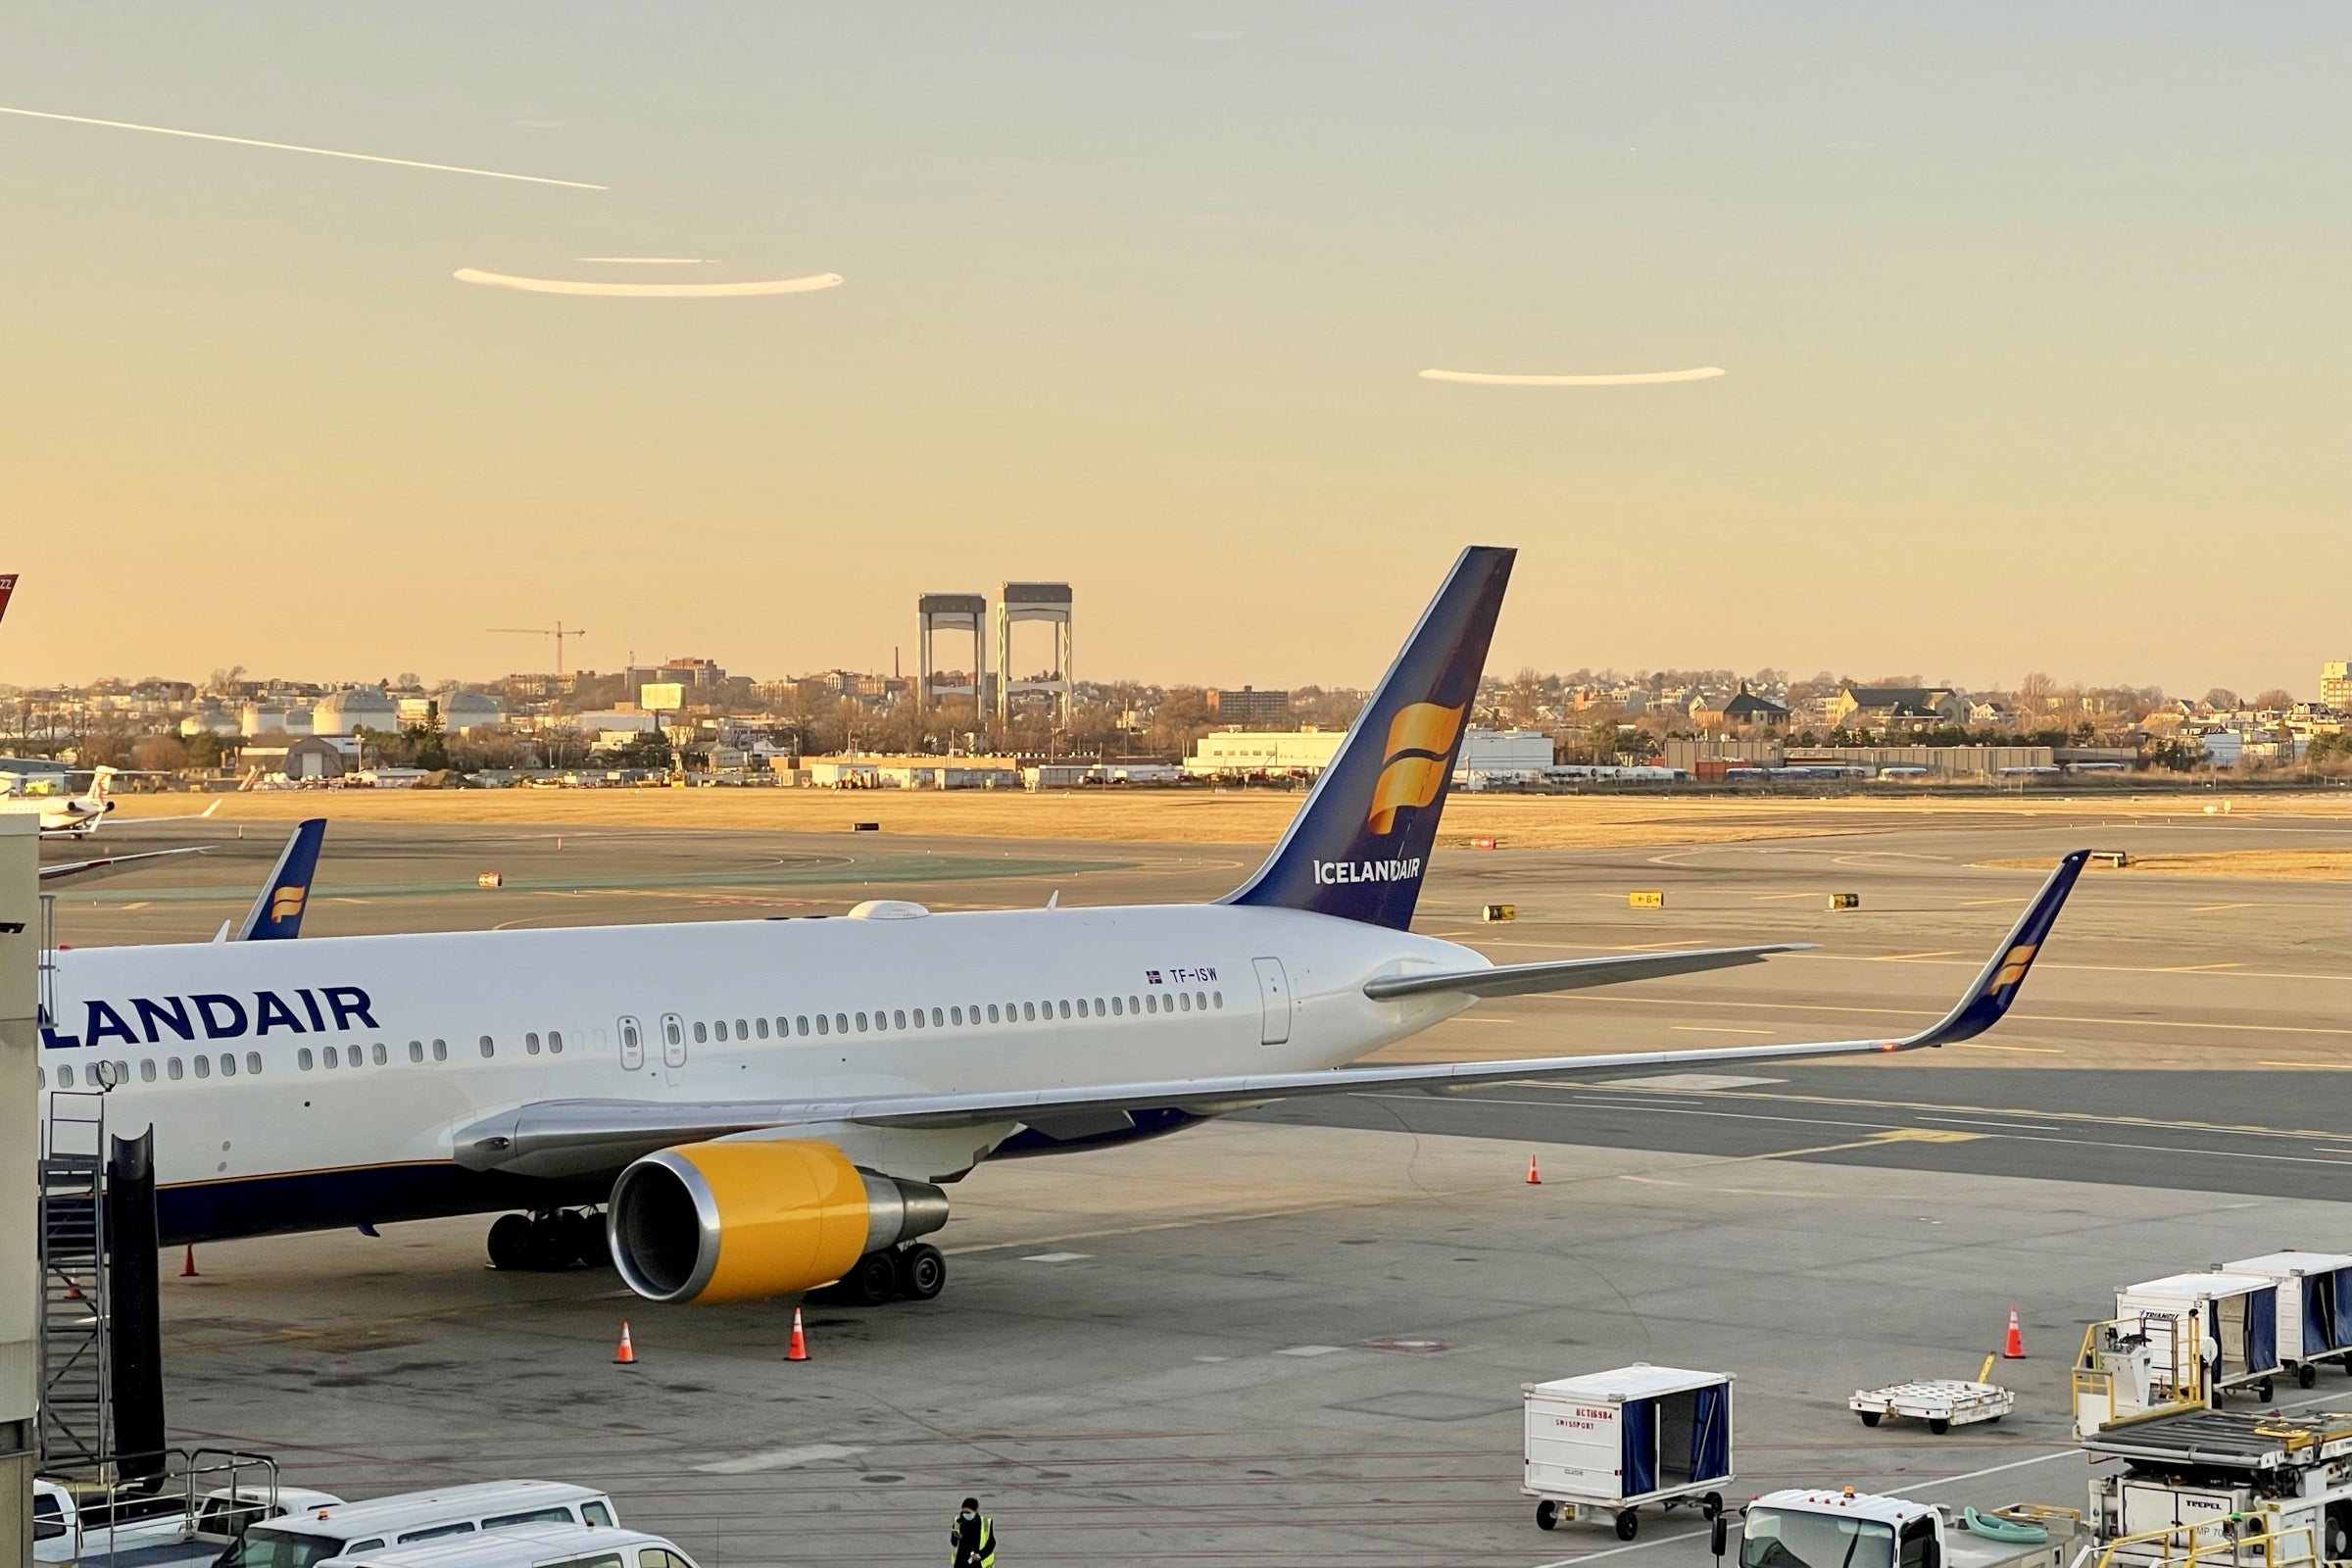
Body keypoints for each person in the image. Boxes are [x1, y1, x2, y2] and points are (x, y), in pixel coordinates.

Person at [949, 1497, 997, 1567]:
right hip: (961, 1561)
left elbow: (991, 1543)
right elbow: (954, 1543)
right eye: (963, 1512)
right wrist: (955, 1537)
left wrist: (980, 1555)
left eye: (968, 1512)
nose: (965, 1514)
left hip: (978, 1563)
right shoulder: (958, 1521)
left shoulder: (985, 1522)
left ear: (976, 1511)